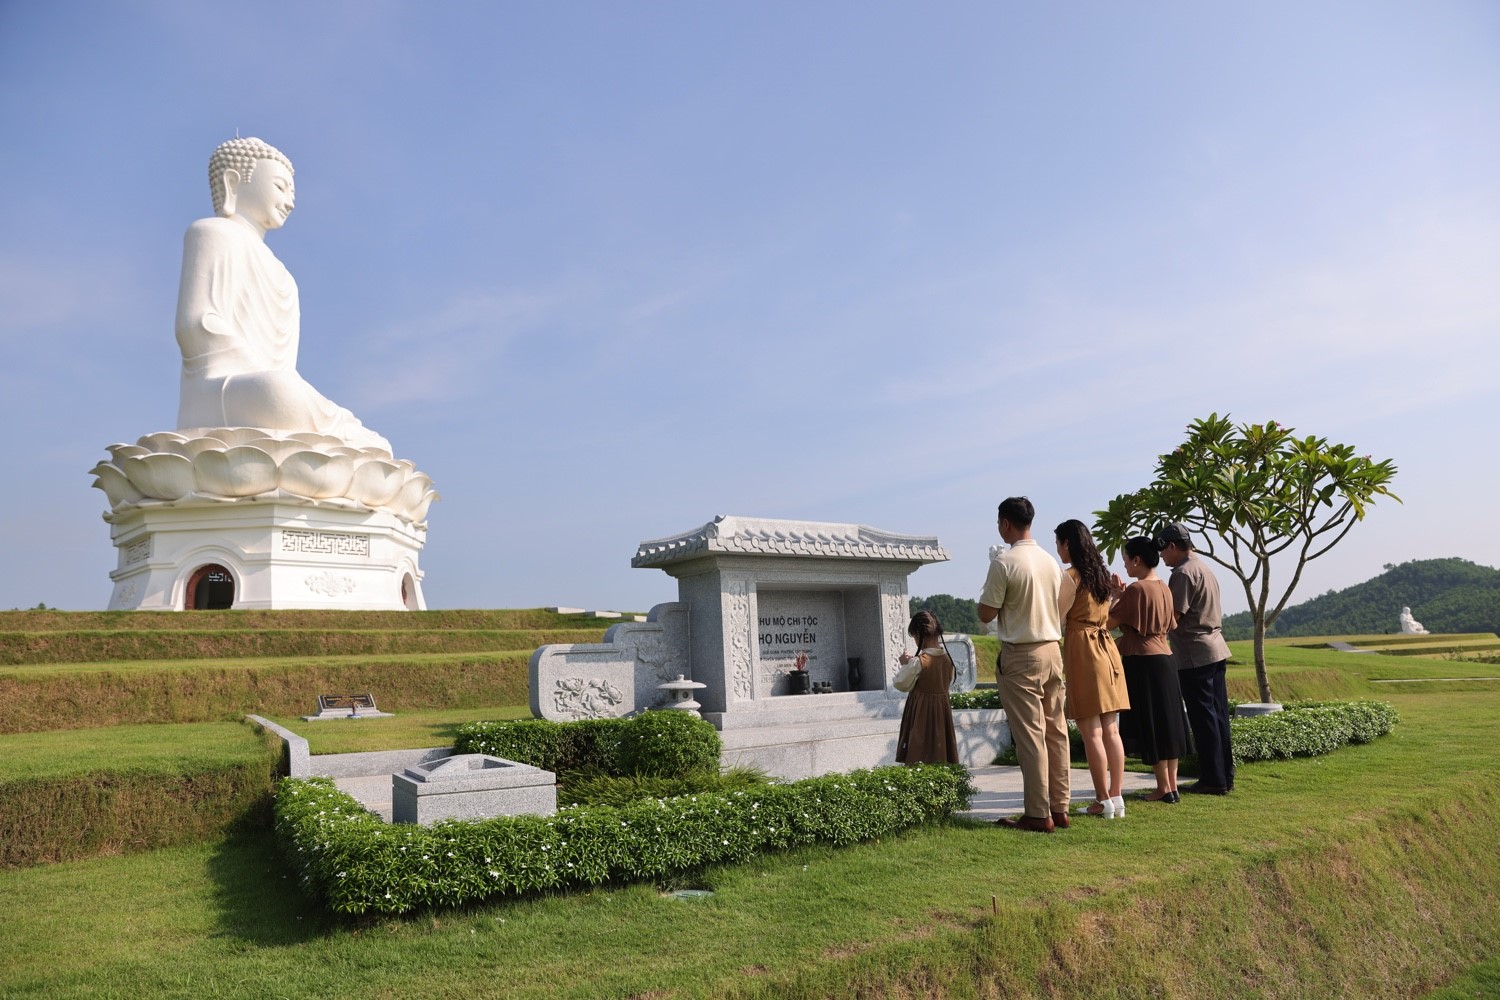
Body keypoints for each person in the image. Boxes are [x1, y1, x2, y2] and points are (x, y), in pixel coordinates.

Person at [175, 137, 392, 453]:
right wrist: (261, 374)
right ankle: (333, 432)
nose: (290, 202)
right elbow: (194, 326)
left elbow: (284, 366)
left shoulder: (284, 276)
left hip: (268, 389)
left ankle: (338, 428)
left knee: (287, 388)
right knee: (281, 390)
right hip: (217, 388)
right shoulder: (212, 233)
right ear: (233, 181)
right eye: (280, 187)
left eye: (292, 193)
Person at [978, 497, 1067, 833]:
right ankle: (1060, 806)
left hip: (1021, 652)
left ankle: (1038, 813)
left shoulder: (1004, 562)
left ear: (1005, 523)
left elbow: (986, 613)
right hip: (1052, 649)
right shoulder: (1049, 561)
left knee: (1031, 736)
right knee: (1056, 731)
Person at [1053, 520, 1131, 818]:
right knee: (1111, 729)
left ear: (1067, 543)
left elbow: (1056, 616)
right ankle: (1116, 796)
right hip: (1107, 648)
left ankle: (1102, 800)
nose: (1058, 549)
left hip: (1084, 649)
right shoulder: (1100, 576)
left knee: (1091, 732)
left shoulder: (1071, 577)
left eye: (1059, 543)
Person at [1157, 523, 1235, 794]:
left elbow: (1173, 618)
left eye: (1162, 550)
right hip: (1215, 648)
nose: (1161, 556)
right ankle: (1224, 776)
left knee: (1203, 718)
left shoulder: (1182, 573)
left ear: (1172, 546)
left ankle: (1213, 780)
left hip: (1194, 654)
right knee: (1219, 715)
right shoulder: (1204, 568)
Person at [1109, 536, 1186, 803]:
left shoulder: (1136, 589)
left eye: (1126, 560)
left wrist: (1115, 597)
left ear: (1137, 560)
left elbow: (1107, 623)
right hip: (1166, 658)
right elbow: (1171, 623)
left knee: (1151, 723)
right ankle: (1172, 786)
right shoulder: (1164, 587)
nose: (1125, 566)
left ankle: (1162, 787)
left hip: (1143, 661)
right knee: (1168, 724)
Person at [894, 611, 959, 764]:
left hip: (921, 713)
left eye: (914, 637)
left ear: (919, 634)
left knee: (919, 749)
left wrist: (905, 664)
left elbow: (900, 683)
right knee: (939, 748)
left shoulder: (919, 662)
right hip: (942, 712)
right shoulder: (947, 660)